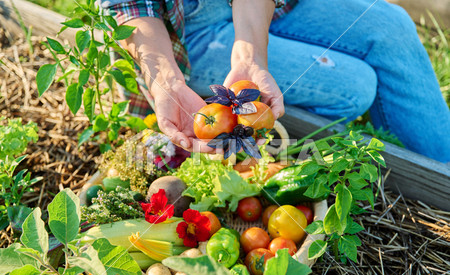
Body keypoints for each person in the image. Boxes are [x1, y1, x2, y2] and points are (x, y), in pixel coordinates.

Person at [100, 0, 450, 163]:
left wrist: (249, 57)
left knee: (392, 25)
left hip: (259, 7)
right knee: (356, 85)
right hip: (180, 35)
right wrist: (165, 80)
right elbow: (127, 7)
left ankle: (442, 171)